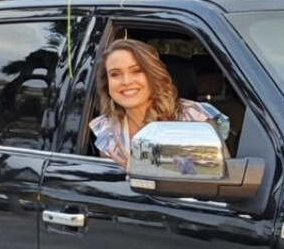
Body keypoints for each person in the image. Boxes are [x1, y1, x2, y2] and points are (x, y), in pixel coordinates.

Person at [89, 39, 229, 169]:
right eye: (115, 74)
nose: (126, 81)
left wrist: (144, 171)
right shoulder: (108, 130)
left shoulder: (194, 118)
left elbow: (225, 180)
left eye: (137, 71)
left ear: (153, 74)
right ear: (106, 83)